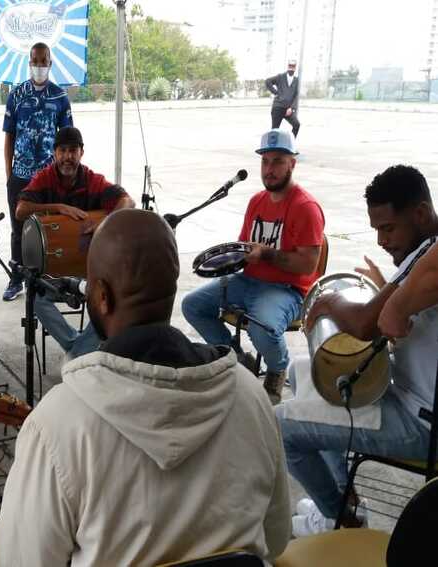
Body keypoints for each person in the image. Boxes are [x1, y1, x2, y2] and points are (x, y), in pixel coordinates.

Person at [0, 209, 291, 566]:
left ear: (101, 297)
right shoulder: (249, 393)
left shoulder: (59, 422)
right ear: (173, 285)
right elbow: (276, 537)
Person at [280, 164, 438, 537]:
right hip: (407, 395)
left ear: (420, 213)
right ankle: (341, 503)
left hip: (421, 422)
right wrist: (387, 294)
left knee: (280, 427)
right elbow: (390, 313)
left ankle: (342, 520)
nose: (382, 241)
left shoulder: (428, 253)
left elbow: (367, 321)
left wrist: (332, 301)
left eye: (388, 228)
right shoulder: (425, 252)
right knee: (300, 373)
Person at [182, 128, 325, 404]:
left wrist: (269, 255)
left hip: (287, 290)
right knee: (193, 305)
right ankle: (236, 357)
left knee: (263, 328)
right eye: (265, 161)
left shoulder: (305, 207)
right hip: (247, 281)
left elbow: (308, 265)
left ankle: (277, 368)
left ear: (292, 164)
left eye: (277, 161)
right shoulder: (256, 202)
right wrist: (225, 259)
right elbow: (243, 247)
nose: (269, 169)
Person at [15, 126, 134, 359]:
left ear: (81, 152)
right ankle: (76, 346)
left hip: (87, 271)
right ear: (55, 153)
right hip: (54, 275)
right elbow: (21, 210)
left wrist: (105, 222)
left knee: (111, 300)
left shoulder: (91, 180)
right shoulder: (45, 178)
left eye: (73, 150)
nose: (68, 156)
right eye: (63, 150)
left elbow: (127, 201)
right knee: (36, 299)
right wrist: (58, 207)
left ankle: (79, 350)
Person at [2, 42, 73, 302]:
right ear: (29, 62)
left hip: (48, 179)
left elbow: (66, 140)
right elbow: (9, 136)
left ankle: (48, 277)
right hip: (20, 176)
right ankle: (16, 277)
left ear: (50, 64)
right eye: (35, 61)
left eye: (44, 61)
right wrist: (9, 174)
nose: (39, 66)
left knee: (50, 225)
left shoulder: (60, 97)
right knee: (18, 229)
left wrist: (64, 176)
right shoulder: (17, 94)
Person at [379, 241, 438, 338]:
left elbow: (364, 325)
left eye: (389, 229)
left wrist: (395, 309)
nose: (380, 241)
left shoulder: (429, 244)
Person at [265, 60, 301, 138]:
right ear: (288, 67)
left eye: (293, 66)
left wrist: (291, 108)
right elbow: (268, 81)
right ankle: (273, 147)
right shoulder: (280, 77)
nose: (291, 68)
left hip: (288, 109)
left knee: (296, 124)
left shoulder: (296, 80)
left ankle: (291, 144)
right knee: (275, 130)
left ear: (295, 68)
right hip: (278, 107)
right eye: (290, 66)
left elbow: (296, 95)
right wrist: (276, 92)